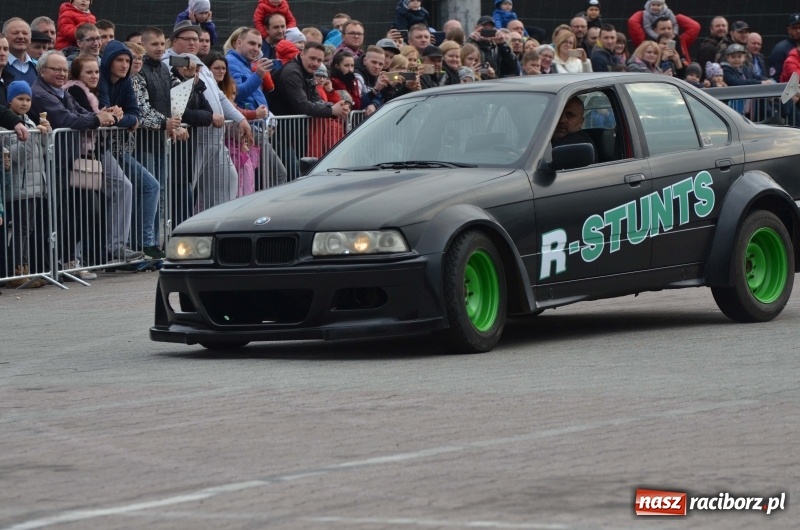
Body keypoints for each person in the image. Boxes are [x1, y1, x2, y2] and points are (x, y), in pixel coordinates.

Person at [32, 51, 140, 268]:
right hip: (57, 160)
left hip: (72, 159)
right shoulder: (41, 94)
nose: (62, 73)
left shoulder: (61, 92)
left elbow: (80, 111)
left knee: (83, 210)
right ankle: (60, 262)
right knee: (64, 213)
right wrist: (97, 118)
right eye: (56, 69)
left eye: (64, 69)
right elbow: (65, 118)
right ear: (42, 71)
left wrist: (101, 115)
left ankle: (71, 259)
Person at [164, 20, 253, 210]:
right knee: (184, 190)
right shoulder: (168, 63)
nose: (193, 43)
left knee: (228, 181)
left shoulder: (201, 65)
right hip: (192, 140)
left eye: (196, 39)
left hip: (215, 139)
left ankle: (217, 230)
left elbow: (220, 97)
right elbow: (175, 105)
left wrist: (240, 118)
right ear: (173, 41)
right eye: (187, 38)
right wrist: (209, 117)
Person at [268, 43, 350, 178]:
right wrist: (332, 110)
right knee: (292, 175)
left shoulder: (307, 71)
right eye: (312, 58)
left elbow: (315, 98)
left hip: (291, 133)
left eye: (319, 60)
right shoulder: (292, 72)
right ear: (302, 54)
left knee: (298, 174)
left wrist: (334, 107)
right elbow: (303, 105)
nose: (315, 63)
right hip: (279, 134)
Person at [1, 81, 49, 288]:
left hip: (35, 186)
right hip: (19, 187)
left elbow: (45, 152)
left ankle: (25, 268)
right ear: (10, 100)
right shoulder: (6, 126)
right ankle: (17, 270)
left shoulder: (30, 122)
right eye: (20, 99)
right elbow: (16, 156)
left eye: (28, 99)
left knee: (27, 229)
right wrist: (32, 138)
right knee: (19, 229)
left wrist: (45, 134)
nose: (24, 103)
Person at [551, 97, 596, 163]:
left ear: (581, 122)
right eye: (558, 114)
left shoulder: (579, 142)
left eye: (570, 115)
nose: (561, 120)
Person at [3, 19, 36, 86]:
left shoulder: (37, 67)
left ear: (30, 38)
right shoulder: (2, 65)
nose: (21, 37)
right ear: (4, 36)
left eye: (25, 33)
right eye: (15, 33)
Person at [769, 14, 800, 81]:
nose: (798, 31)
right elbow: (775, 79)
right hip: (788, 89)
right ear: (789, 30)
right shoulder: (780, 49)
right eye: (794, 28)